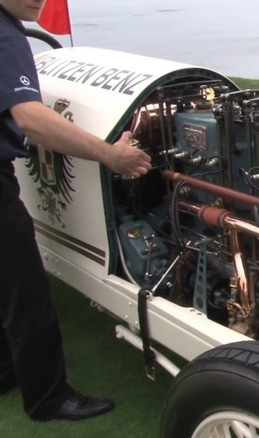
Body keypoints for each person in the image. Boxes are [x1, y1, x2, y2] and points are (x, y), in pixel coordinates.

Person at [1, 0, 151, 421]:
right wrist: (110, 155)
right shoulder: (6, 35)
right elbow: (30, 118)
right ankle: (48, 399)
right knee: (25, 292)